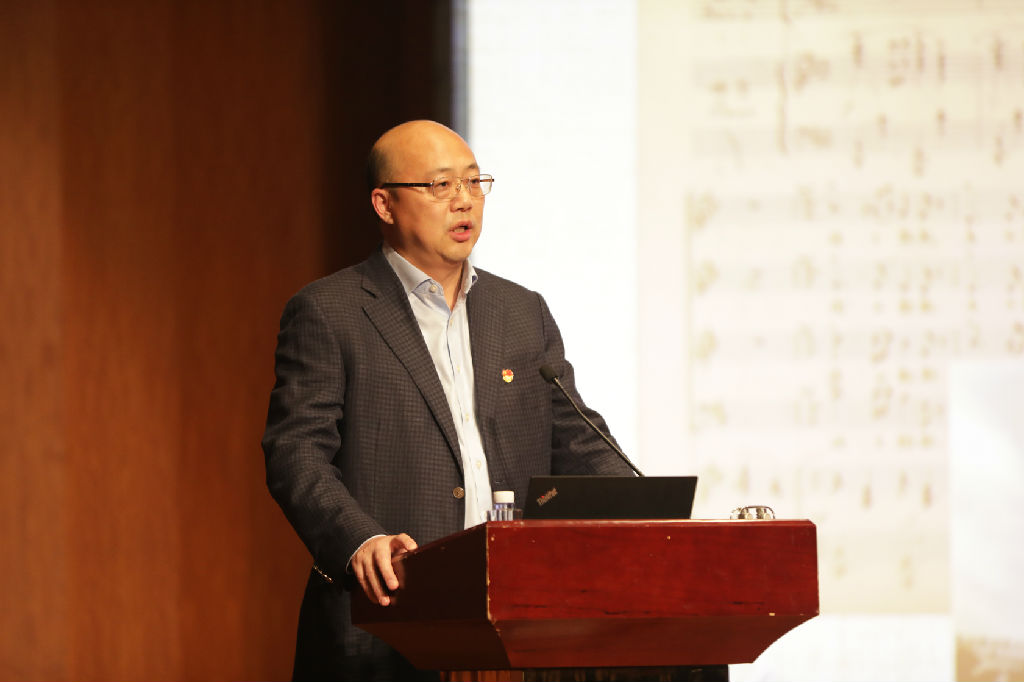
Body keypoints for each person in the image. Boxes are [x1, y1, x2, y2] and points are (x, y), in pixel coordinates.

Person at [262, 120, 633, 681]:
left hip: (513, 629)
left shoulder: (521, 311)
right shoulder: (329, 312)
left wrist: (657, 517)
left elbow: (578, 439)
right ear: (384, 204)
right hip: (385, 621)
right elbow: (296, 454)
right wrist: (360, 539)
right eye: (440, 185)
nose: (464, 200)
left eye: (474, 182)